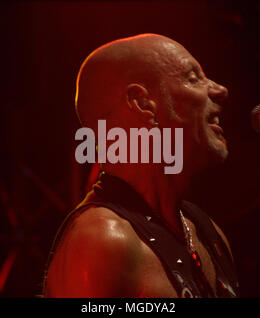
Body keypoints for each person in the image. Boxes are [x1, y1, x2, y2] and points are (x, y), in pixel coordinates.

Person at [43, 33, 239, 297]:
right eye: (193, 78)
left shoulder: (209, 233)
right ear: (143, 103)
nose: (220, 90)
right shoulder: (102, 241)